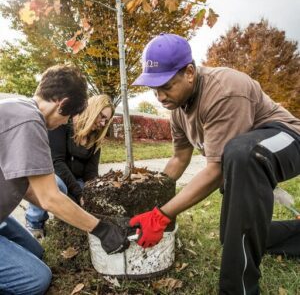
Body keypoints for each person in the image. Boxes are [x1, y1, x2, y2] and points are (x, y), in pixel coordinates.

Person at [129, 33, 300, 294]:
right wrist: (151, 197)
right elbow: (179, 158)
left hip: (286, 138)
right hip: (245, 155)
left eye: (166, 86)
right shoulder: (177, 110)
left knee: (243, 154)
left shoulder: (224, 90)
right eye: (154, 89)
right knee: (232, 236)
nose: (160, 97)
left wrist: (162, 216)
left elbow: (217, 170)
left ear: (189, 72)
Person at [0, 65, 129, 295]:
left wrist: (79, 214)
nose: (67, 121)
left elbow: (32, 191)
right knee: (36, 280)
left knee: (36, 253)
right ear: (62, 103)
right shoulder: (31, 122)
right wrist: (101, 229)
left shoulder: (20, 109)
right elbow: (50, 198)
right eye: (69, 115)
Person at [25, 94, 115, 237]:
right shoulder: (63, 124)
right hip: (56, 175)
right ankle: (34, 223)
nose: (103, 123)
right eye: (102, 117)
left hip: (77, 182)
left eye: (107, 120)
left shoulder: (95, 138)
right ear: (92, 110)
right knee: (56, 185)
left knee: (89, 195)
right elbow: (57, 162)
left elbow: (91, 173)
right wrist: (78, 194)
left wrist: (92, 192)